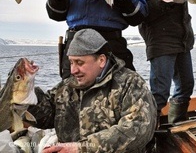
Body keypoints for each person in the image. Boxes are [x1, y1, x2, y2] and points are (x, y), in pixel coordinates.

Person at [28, 28, 157, 153]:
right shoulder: (66, 87)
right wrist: (25, 92)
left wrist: (82, 148)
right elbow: (44, 117)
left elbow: (137, 130)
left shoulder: (131, 84)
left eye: (79, 62)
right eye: (71, 63)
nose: (73, 70)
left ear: (101, 60)